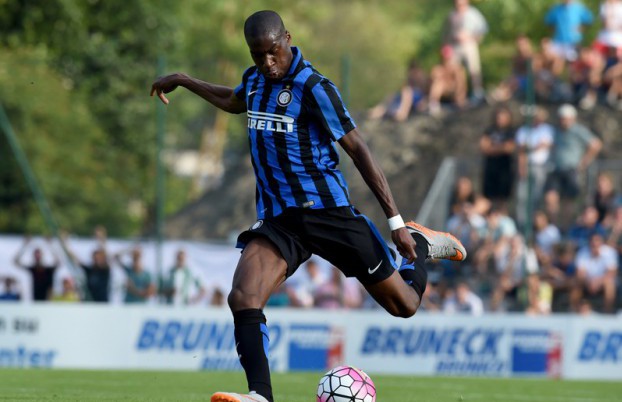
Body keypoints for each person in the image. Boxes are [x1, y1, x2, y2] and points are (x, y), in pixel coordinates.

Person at [151, 10, 466, 402]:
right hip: (280, 219)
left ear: (287, 38)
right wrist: (184, 80)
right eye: (258, 55)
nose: (267, 63)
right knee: (243, 296)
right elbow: (233, 100)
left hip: (328, 213)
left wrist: (396, 221)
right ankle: (260, 396)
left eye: (273, 52)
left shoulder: (314, 87)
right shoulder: (255, 80)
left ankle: (419, 242)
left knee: (404, 305)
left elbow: (359, 151)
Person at [544, 104, 602, 226]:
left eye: (565, 119)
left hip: (571, 170)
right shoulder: (556, 131)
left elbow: (595, 144)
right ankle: (554, 226)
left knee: (568, 201)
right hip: (556, 169)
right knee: (550, 198)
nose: (563, 121)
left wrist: (584, 162)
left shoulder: (578, 130)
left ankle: (566, 227)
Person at [514, 107, 554, 226]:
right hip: (527, 165)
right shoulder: (523, 130)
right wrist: (522, 167)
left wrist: (530, 148)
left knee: (537, 196)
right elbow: (521, 150)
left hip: (541, 166)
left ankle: (535, 222)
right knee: (522, 196)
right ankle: (522, 222)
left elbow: (548, 145)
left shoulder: (547, 129)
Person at [442, 0, 488, 101]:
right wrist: (446, 47)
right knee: (454, 71)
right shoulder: (452, 14)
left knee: (474, 69)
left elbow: (483, 29)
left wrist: (473, 39)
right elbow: (446, 33)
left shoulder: (473, 14)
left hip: (469, 44)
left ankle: (477, 92)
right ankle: (457, 96)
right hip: (455, 46)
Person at [572, 232, 618, 312]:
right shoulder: (582, 252)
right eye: (592, 241)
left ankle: (608, 312)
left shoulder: (609, 252)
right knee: (576, 283)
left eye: (597, 240)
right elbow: (580, 273)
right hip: (587, 281)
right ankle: (574, 311)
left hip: (603, 281)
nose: (594, 243)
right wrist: (589, 281)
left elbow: (611, 272)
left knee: (609, 284)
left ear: (601, 241)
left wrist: (598, 282)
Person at [62, 229, 111, 303]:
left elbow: (106, 255)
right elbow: (75, 258)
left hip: (102, 304)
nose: (97, 260)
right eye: (96, 258)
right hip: (89, 302)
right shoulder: (89, 270)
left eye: (99, 258)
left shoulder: (105, 270)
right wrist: (65, 243)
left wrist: (101, 240)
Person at [479, 107, 515, 206]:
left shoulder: (511, 132)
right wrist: (501, 147)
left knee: (502, 198)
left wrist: (493, 147)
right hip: (490, 168)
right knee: (488, 197)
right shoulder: (490, 130)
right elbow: (484, 147)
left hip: (504, 169)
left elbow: (509, 148)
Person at [13, 236, 60, 301]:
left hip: (48, 302)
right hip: (36, 301)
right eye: (36, 255)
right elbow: (16, 262)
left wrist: (50, 245)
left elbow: (58, 262)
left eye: (39, 254)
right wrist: (24, 246)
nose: (37, 256)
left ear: (42, 255)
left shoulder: (48, 269)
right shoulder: (33, 269)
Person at [428, 45, 468, 116]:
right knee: (438, 83)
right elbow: (430, 83)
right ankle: (433, 104)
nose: (446, 59)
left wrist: (461, 96)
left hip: (453, 92)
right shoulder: (438, 68)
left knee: (459, 79)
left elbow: (462, 83)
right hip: (442, 94)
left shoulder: (457, 68)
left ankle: (459, 101)